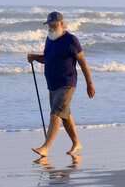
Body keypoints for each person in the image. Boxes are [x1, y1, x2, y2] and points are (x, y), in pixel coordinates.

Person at [27, 11, 95, 157]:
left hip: (67, 83)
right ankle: (77, 143)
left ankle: (46, 147)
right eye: (49, 24)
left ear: (61, 23)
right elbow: (47, 58)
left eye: (53, 24)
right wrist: (35, 57)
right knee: (65, 115)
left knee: (55, 114)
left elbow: (83, 62)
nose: (50, 27)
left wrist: (89, 83)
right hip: (53, 84)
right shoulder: (49, 39)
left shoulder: (71, 40)